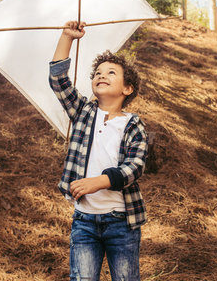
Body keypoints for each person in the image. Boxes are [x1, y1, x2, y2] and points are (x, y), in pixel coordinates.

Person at [49, 21, 148, 281]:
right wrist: (67, 37)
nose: (101, 75)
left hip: (121, 221)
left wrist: (99, 182)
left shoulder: (132, 123)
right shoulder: (83, 112)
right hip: (84, 221)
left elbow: (134, 166)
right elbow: (59, 81)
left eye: (111, 73)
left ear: (127, 89)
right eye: (98, 73)